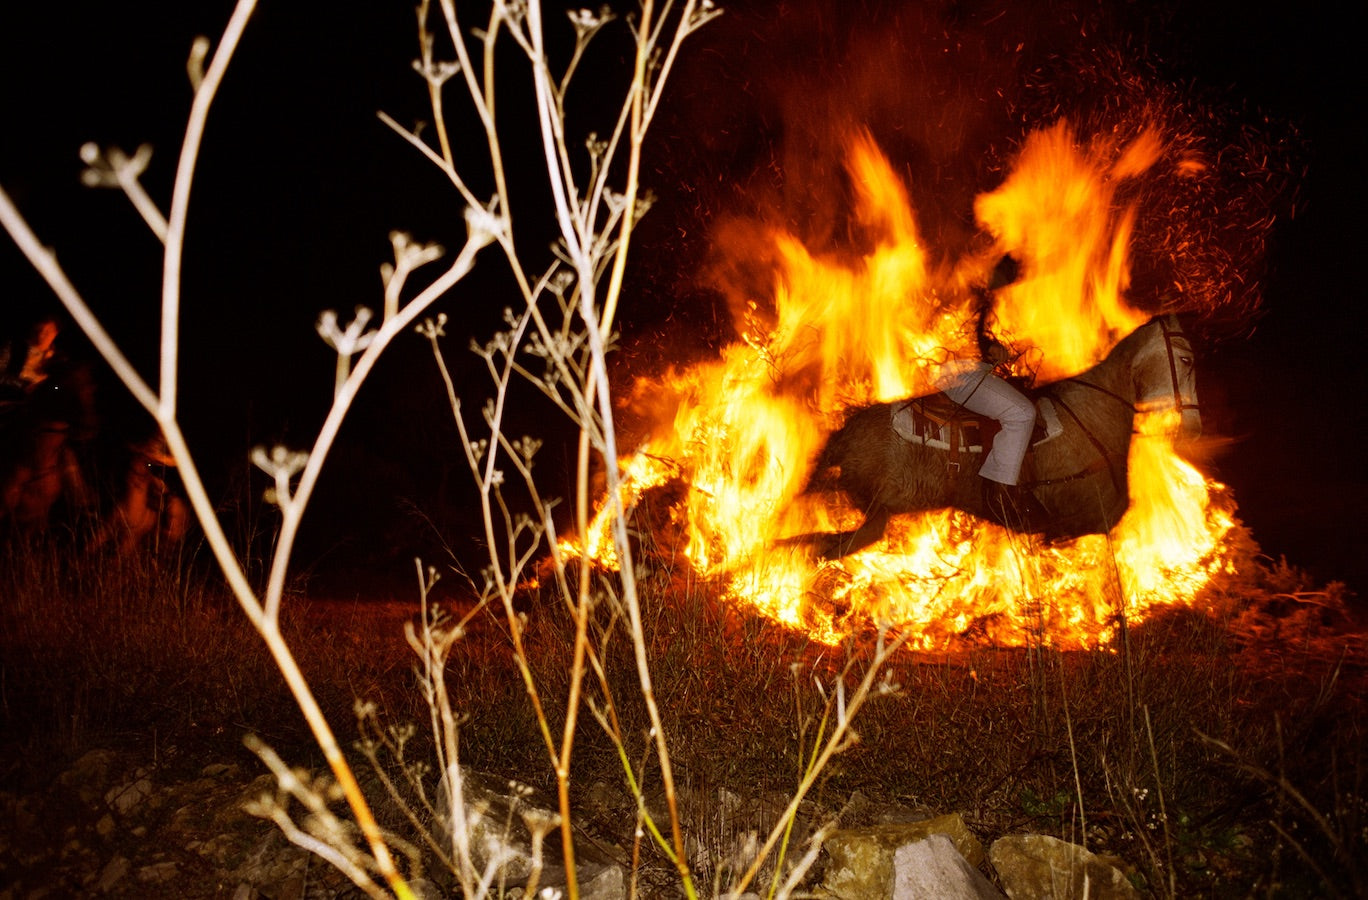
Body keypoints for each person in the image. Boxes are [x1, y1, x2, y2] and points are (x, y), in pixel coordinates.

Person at [932, 256, 1047, 529]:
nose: (1009, 285)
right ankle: (1000, 494)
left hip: (960, 371)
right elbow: (962, 344)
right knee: (1022, 413)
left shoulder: (978, 299)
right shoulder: (969, 298)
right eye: (1008, 277)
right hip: (958, 374)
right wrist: (995, 351)